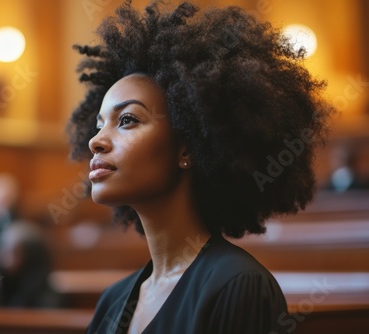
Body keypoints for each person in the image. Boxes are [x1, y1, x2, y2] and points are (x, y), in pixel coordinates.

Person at [67, 1, 333, 333]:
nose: (96, 141)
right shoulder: (113, 301)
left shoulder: (239, 287)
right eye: (98, 125)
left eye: (127, 120)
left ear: (187, 146)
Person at [0, 221, 63, 308]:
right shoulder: (3, 289)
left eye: (11, 252)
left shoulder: (49, 301)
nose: (1, 256)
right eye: (1, 249)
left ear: (32, 258)